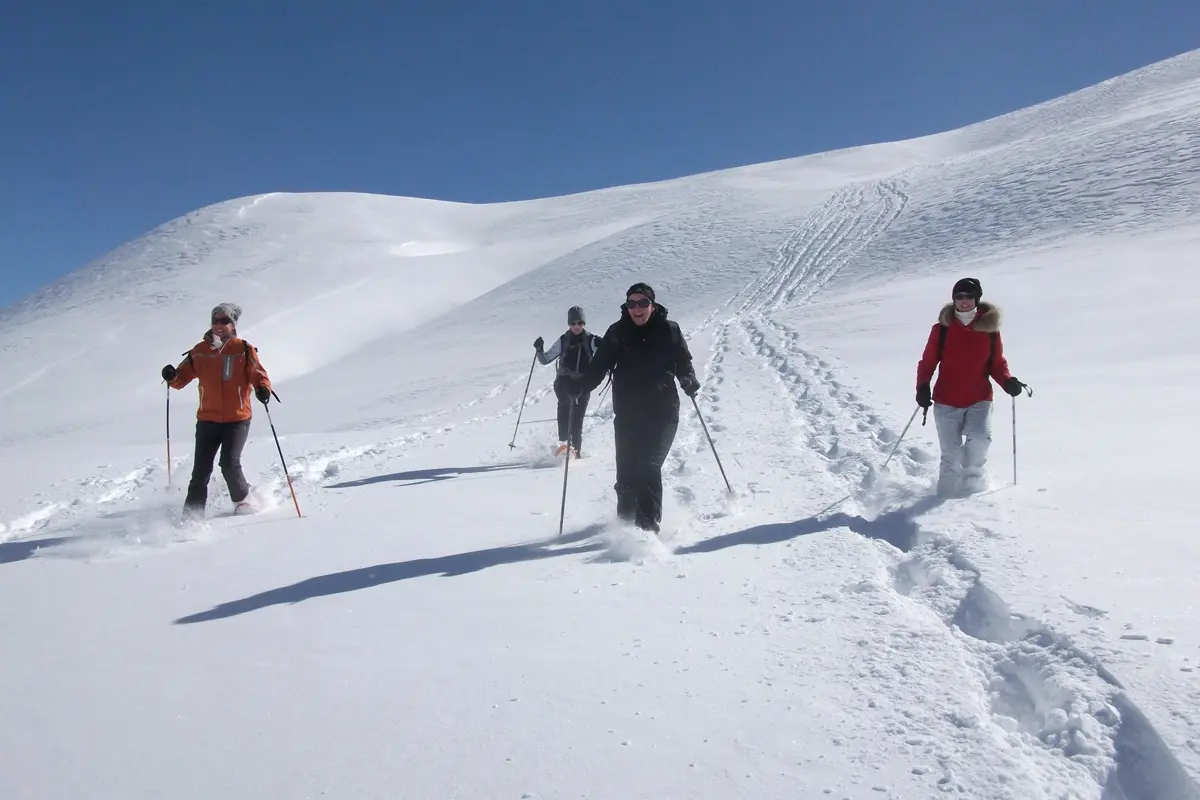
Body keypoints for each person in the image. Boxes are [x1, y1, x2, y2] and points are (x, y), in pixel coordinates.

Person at [569, 283, 700, 533]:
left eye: (642, 303)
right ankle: (625, 526)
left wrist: (688, 379)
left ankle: (648, 528)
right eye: (631, 304)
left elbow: (683, 361)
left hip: (663, 413)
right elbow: (598, 366)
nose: (636, 309)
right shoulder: (617, 332)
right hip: (628, 413)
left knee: (648, 466)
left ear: (652, 305)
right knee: (626, 473)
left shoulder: (669, 330)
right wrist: (580, 386)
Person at [915, 278, 1027, 497]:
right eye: (959, 296)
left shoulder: (990, 330)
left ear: (977, 299)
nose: (964, 301)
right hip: (946, 399)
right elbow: (928, 362)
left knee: (981, 439)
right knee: (951, 455)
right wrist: (922, 387)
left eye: (969, 296)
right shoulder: (942, 330)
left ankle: (972, 493)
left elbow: (996, 363)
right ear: (954, 299)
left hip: (979, 398)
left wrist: (1007, 381)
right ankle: (942, 502)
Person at [161, 303, 273, 521]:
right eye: (215, 320)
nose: (219, 325)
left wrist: (263, 388)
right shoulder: (199, 351)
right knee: (200, 471)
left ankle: (243, 501)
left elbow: (259, 374)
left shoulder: (243, 349)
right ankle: (192, 516)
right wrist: (172, 376)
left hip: (237, 418)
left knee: (229, 464)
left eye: (224, 321)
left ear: (233, 324)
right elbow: (180, 379)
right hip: (207, 419)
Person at [534, 306, 602, 458]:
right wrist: (539, 350)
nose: (577, 326)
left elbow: (602, 359)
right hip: (564, 381)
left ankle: (575, 451)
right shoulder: (563, 340)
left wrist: (603, 346)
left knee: (578, 418)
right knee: (564, 409)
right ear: (569, 324)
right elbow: (546, 359)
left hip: (583, 383)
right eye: (573, 323)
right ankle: (565, 446)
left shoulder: (591, 340)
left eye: (580, 323)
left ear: (584, 324)